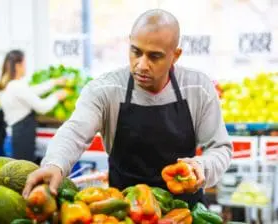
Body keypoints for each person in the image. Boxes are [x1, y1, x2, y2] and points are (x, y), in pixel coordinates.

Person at [23, 9, 233, 207]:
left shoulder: (198, 87)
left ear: (175, 55)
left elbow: (220, 148)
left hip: (185, 212)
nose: (141, 64)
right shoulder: (105, 90)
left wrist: (201, 167)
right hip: (125, 211)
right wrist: (54, 164)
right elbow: (74, 132)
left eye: (154, 56)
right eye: (136, 52)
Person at [0, 49, 68, 161]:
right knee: (22, 175)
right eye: (25, 64)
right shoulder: (16, 86)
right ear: (18, 65)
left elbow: (31, 91)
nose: (26, 67)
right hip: (20, 139)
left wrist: (54, 82)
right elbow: (42, 107)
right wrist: (57, 96)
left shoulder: (10, 85)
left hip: (15, 137)